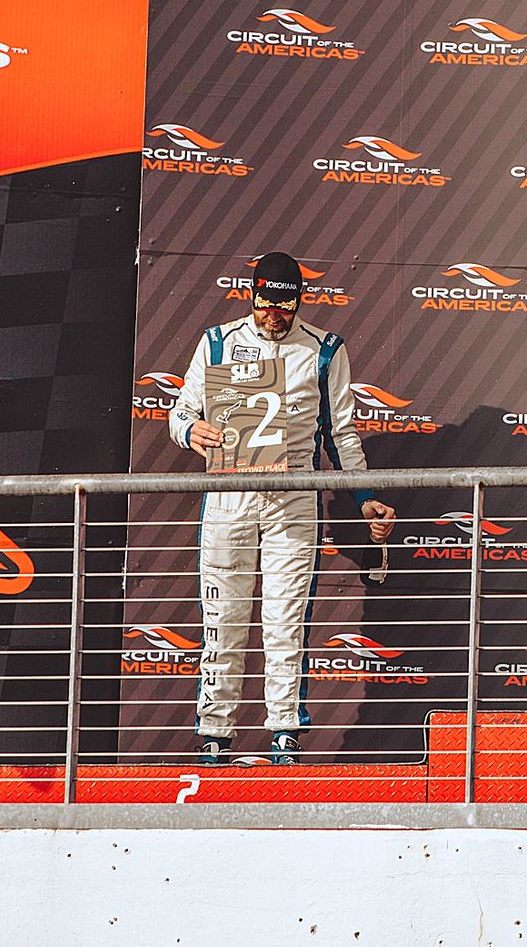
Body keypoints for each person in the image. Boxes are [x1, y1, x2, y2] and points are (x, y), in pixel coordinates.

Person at [170, 250, 395, 766]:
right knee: (222, 617)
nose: (274, 314)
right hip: (229, 493)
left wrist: (364, 497)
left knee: (285, 619)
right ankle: (214, 735)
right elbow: (180, 412)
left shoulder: (325, 349)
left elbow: (341, 434)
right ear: (251, 296)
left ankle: (285, 735)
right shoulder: (217, 341)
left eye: (285, 306)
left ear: (299, 302)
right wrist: (191, 431)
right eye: (266, 304)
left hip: (294, 495)